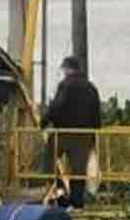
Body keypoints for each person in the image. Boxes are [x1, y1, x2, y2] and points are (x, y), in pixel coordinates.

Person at [42, 56, 102, 208]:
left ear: (68, 69)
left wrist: (44, 121)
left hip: (63, 133)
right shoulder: (91, 87)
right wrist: (94, 135)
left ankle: (60, 192)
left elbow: (57, 106)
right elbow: (97, 113)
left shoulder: (66, 85)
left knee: (49, 159)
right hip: (85, 136)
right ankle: (77, 203)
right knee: (78, 170)